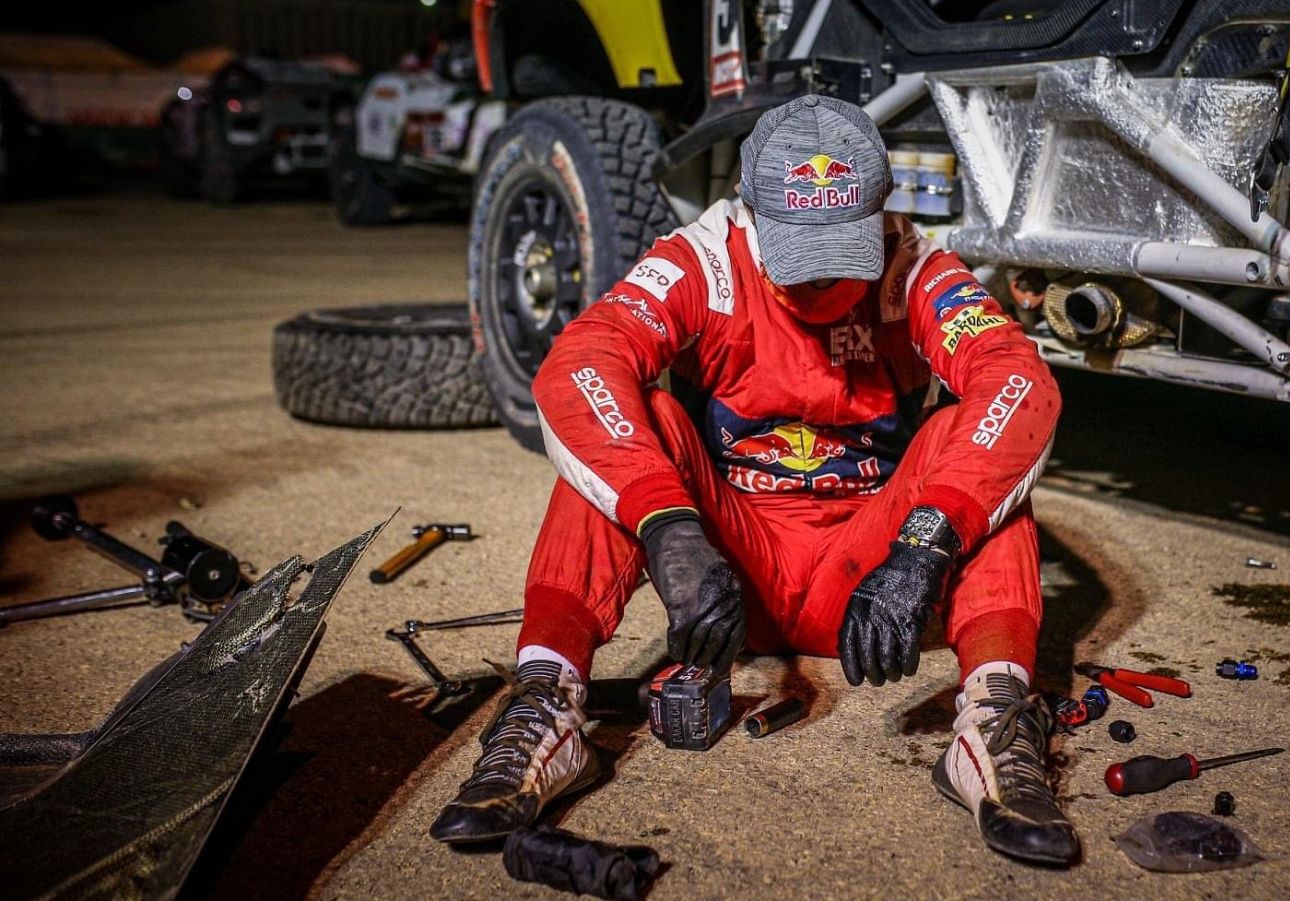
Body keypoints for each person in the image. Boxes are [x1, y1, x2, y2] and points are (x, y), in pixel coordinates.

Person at [430, 95, 1076, 866]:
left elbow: (1018, 384)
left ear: (880, 211)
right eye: (801, 250)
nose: (824, 279)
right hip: (726, 575)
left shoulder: (918, 269)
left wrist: (926, 545)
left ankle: (994, 723)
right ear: (750, 213)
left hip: (867, 578)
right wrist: (667, 526)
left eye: (843, 247)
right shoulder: (701, 259)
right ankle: (544, 704)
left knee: (975, 447)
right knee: (638, 428)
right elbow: (580, 364)